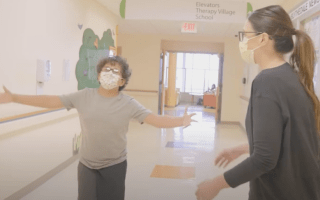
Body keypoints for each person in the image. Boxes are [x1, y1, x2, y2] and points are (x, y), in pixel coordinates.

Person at [0, 56, 197, 200]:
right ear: (99, 74)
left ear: (121, 81)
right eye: (106, 69)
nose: (109, 73)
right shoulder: (84, 96)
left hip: (115, 165)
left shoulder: (128, 103)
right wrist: (15, 97)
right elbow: (52, 100)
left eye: (115, 71)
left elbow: (154, 119)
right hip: (86, 165)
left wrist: (180, 121)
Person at [196, 5, 320, 200]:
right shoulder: (293, 78)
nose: (243, 42)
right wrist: (241, 149)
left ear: (262, 38)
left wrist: (215, 184)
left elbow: (265, 159)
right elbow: (290, 140)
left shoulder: (267, 82)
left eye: (245, 35)